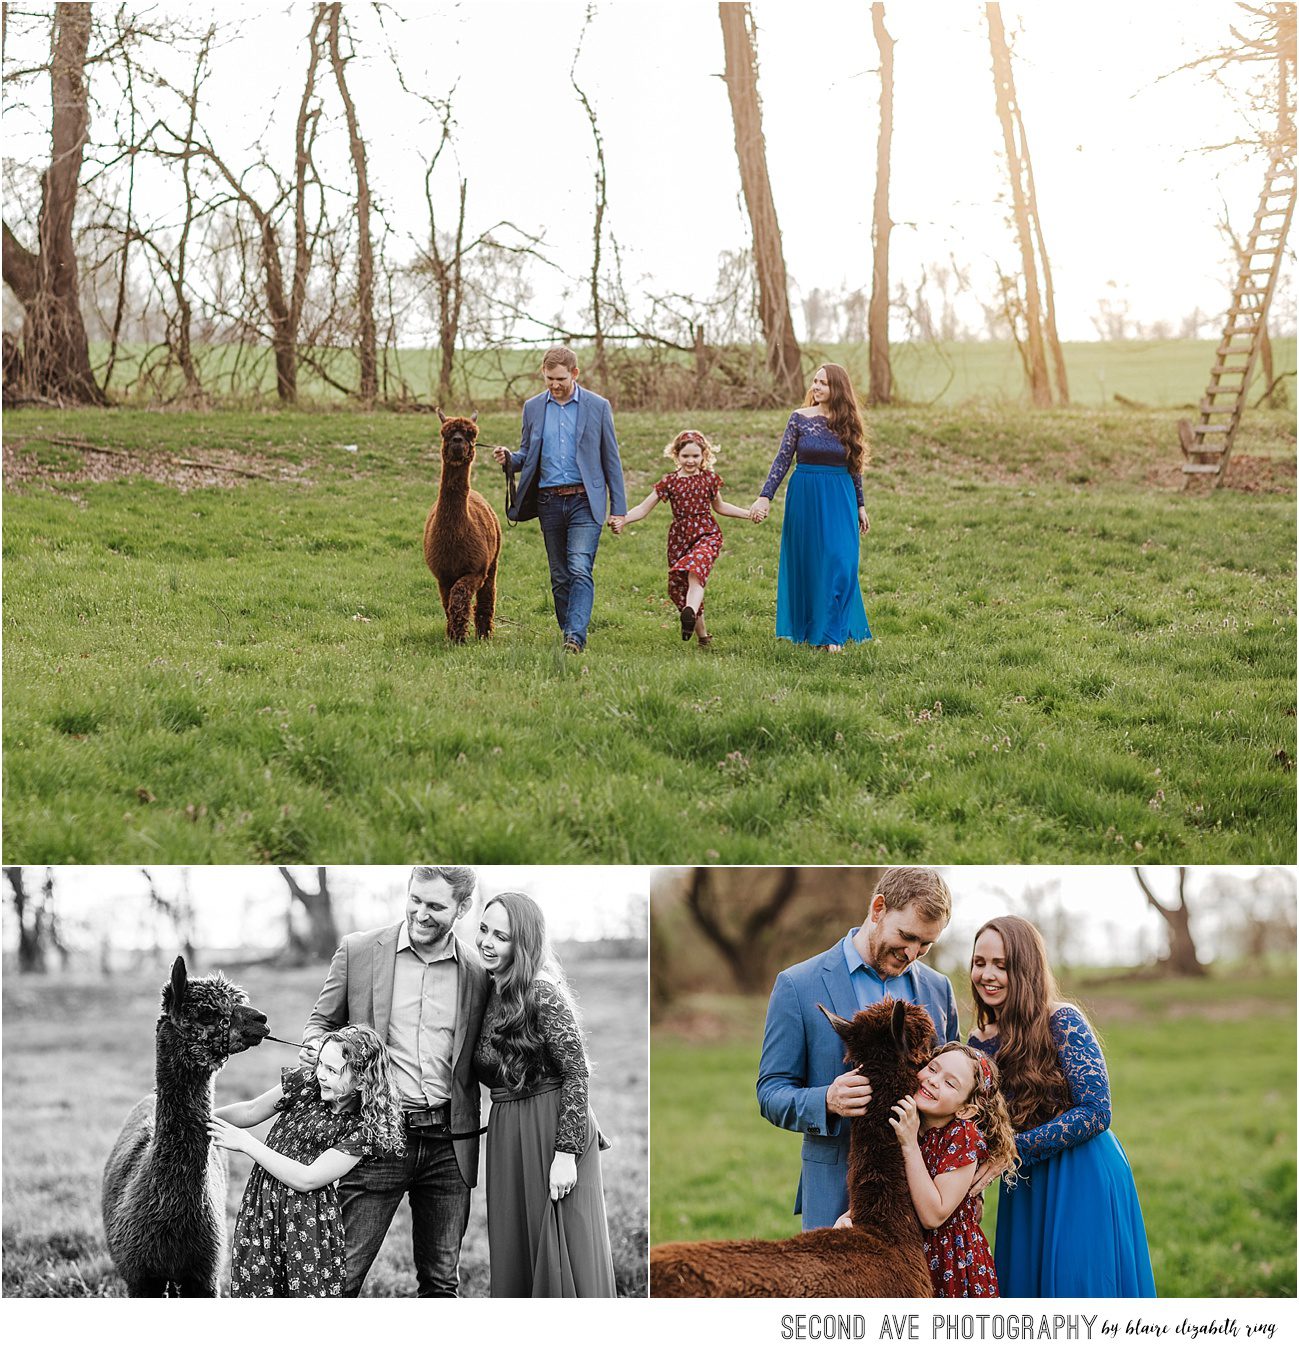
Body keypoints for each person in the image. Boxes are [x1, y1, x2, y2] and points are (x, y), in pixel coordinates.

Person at [300, 865, 489, 1297]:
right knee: (338, 1278)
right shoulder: (359, 950)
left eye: (436, 906)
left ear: (462, 908)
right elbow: (320, 1021)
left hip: (449, 1142)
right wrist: (318, 1049)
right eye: (415, 900)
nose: (421, 914)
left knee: (442, 1283)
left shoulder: (479, 972)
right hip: (376, 1135)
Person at [756, 866, 960, 1230]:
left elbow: (954, 1088)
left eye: (926, 945)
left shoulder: (938, 989)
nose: (913, 953)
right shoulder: (797, 986)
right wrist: (827, 1100)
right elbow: (771, 1093)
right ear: (878, 909)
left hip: (923, 1197)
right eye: (907, 936)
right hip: (836, 1197)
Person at [966, 915, 1156, 1297]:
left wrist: (1014, 1151)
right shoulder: (977, 1041)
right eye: (979, 962)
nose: (987, 974)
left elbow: (1096, 1111)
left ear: (1025, 969)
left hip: (1082, 1171)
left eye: (1001, 965)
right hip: (1024, 1184)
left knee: (1081, 1289)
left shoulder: (1062, 1020)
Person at [472, 891, 616, 1297]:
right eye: (484, 930)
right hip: (507, 1132)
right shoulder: (488, 988)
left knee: (562, 1252)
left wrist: (566, 1153)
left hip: (552, 1128)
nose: (487, 942)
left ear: (524, 943)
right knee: (517, 1244)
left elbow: (577, 1070)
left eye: (501, 936)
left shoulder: (542, 992)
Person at [210, 1025, 406, 1298]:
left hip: (306, 1223)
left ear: (362, 1081)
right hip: (263, 1209)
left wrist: (247, 1143)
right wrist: (197, 1115)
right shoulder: (306, 1084)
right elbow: (251, 1110)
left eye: (333, 1071)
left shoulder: (362, 1129)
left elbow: (308, 1178)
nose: (322, 1075)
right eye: (321, 1065)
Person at [492, 347, 627, 653]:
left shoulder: (598, 406)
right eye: (549, 378)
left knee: (580, 567)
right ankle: (569, 630)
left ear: (575, 374)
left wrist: (619, 510)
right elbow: (528, 454)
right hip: (549, 502)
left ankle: (575, 637)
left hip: (584, 500)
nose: (555, 384)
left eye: (561, 378)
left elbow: (612, 461)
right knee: (559, 574)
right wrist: (509, 458)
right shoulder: (533, 408)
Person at [868, 1042, 1018, 1298]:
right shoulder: (908, 1121)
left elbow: (934, 1214)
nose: (934, 1081)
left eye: (950, 1083)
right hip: (909, 1253)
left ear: (966, 1109)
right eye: (932, 1068)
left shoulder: (963, 1137)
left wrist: (909, 1143)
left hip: (952, 1263)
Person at [749, 363, 871, 650]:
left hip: (840, 496)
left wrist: (861, 506)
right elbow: (782, 460)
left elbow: (855, 467)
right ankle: (824, 633)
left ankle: (832, 629)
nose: (816, 387)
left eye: (823, 383)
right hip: (805, 494)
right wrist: (765, 496)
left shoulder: (848, 422)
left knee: (842, 561)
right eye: (815, 381)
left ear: (837, 389)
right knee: (813, 563)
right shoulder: (799, 418)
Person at [616, 429, 751, 645]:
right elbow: (643, 508)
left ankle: (689, 611)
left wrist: (748, 514)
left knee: (695, 573)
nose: (690, 460)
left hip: (707, 534)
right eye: (685, 456)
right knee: (682, 586)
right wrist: (623, 519)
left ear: (704, 456)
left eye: (695, 456)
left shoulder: (709, 479)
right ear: (676, 455)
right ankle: (702, 636)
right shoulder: (669, 482)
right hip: (679, 539)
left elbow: (721, 507)